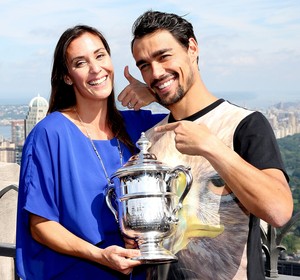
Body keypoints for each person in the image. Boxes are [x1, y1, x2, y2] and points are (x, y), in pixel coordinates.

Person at [118, 10, 293, 280]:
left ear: (192, 48)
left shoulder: (244, 125)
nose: (155, 72)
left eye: (164, 56)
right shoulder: (150, 138)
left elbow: (279, 211)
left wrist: (212, 147)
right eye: (144, 65)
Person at [15, 25, 165, 280]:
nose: (96, 69)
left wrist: (154, 94)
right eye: (80, 62)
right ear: (67, 76)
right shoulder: (51, 134)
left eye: (100, 55)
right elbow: (40, 225)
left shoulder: (139, 127)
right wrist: (100, 256)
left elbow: (196, 116)